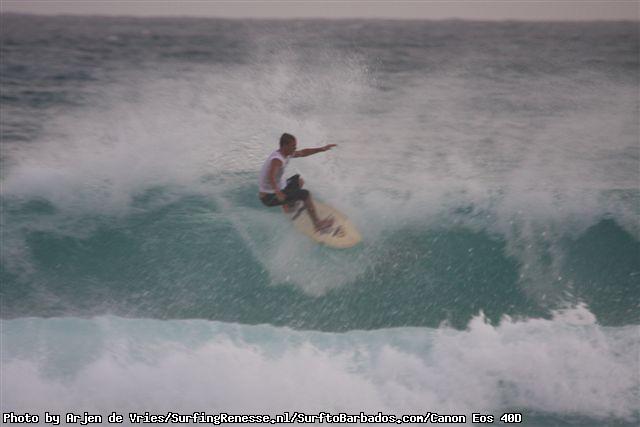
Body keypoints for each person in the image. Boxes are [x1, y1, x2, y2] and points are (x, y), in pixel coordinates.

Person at [259, 133, 336, 232]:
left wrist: (321, 149)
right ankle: (318, 225)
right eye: (293, 146)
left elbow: (303, 152)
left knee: (299, 181)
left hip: (279, 188)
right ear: (285, 146)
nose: (295, 148)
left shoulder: (286, 153)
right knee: (305, 194)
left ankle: (289, 206)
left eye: (295, 146)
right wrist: (278, 192)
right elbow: (271, 176)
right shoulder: (277, 160)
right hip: (268, 197)